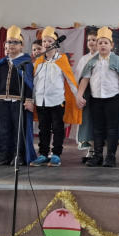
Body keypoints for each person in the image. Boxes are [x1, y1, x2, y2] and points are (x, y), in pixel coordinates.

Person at [76, 26, 119, 167]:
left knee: (112, 128)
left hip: (113, 100)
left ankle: (111, 157)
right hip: (96, 100)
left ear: (111, 45)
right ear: (96, 45)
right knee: (97, 128)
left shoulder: (117, 60)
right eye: (100, 42)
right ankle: (97, 155)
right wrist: (79, 95)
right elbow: (85, 79)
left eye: (105, 43)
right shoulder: (92, 61)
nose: (102, 45)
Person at [0, 25, 37, 166]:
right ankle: (3, 155)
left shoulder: (26, 62)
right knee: (3, 129)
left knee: (18, 130)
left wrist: (29, 100)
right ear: (4, 45)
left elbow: (29, 83)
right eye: (8, 42)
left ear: (21, 45)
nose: (11, 45)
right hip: (2, 102)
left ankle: (18, 155)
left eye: (15, 42)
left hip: (19, 102)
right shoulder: (1, 64)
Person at [30, 27, 81, 167]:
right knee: (43, 129)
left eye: (49, 41)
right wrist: (31, 99)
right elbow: (34, 82)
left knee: (58, 128)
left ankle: (56, 154)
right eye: (44, 41)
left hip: (57, 101)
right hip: (41, 101)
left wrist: (78, 96)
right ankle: (43, 154)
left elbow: (70, 79)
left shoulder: (61, 59)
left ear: (56, 43)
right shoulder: (38, 61)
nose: (46, 43)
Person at [74, 28, 98, 162]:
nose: (91, 42)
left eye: (94, 40)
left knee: (98, 122)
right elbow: (78, 77)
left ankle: (98, 150)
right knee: (88, 122)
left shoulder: (103, 57)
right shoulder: (84, 59)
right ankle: (90, 150)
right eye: (89, 40)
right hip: (87, 94)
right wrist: (79, 94)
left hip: (99, 94)